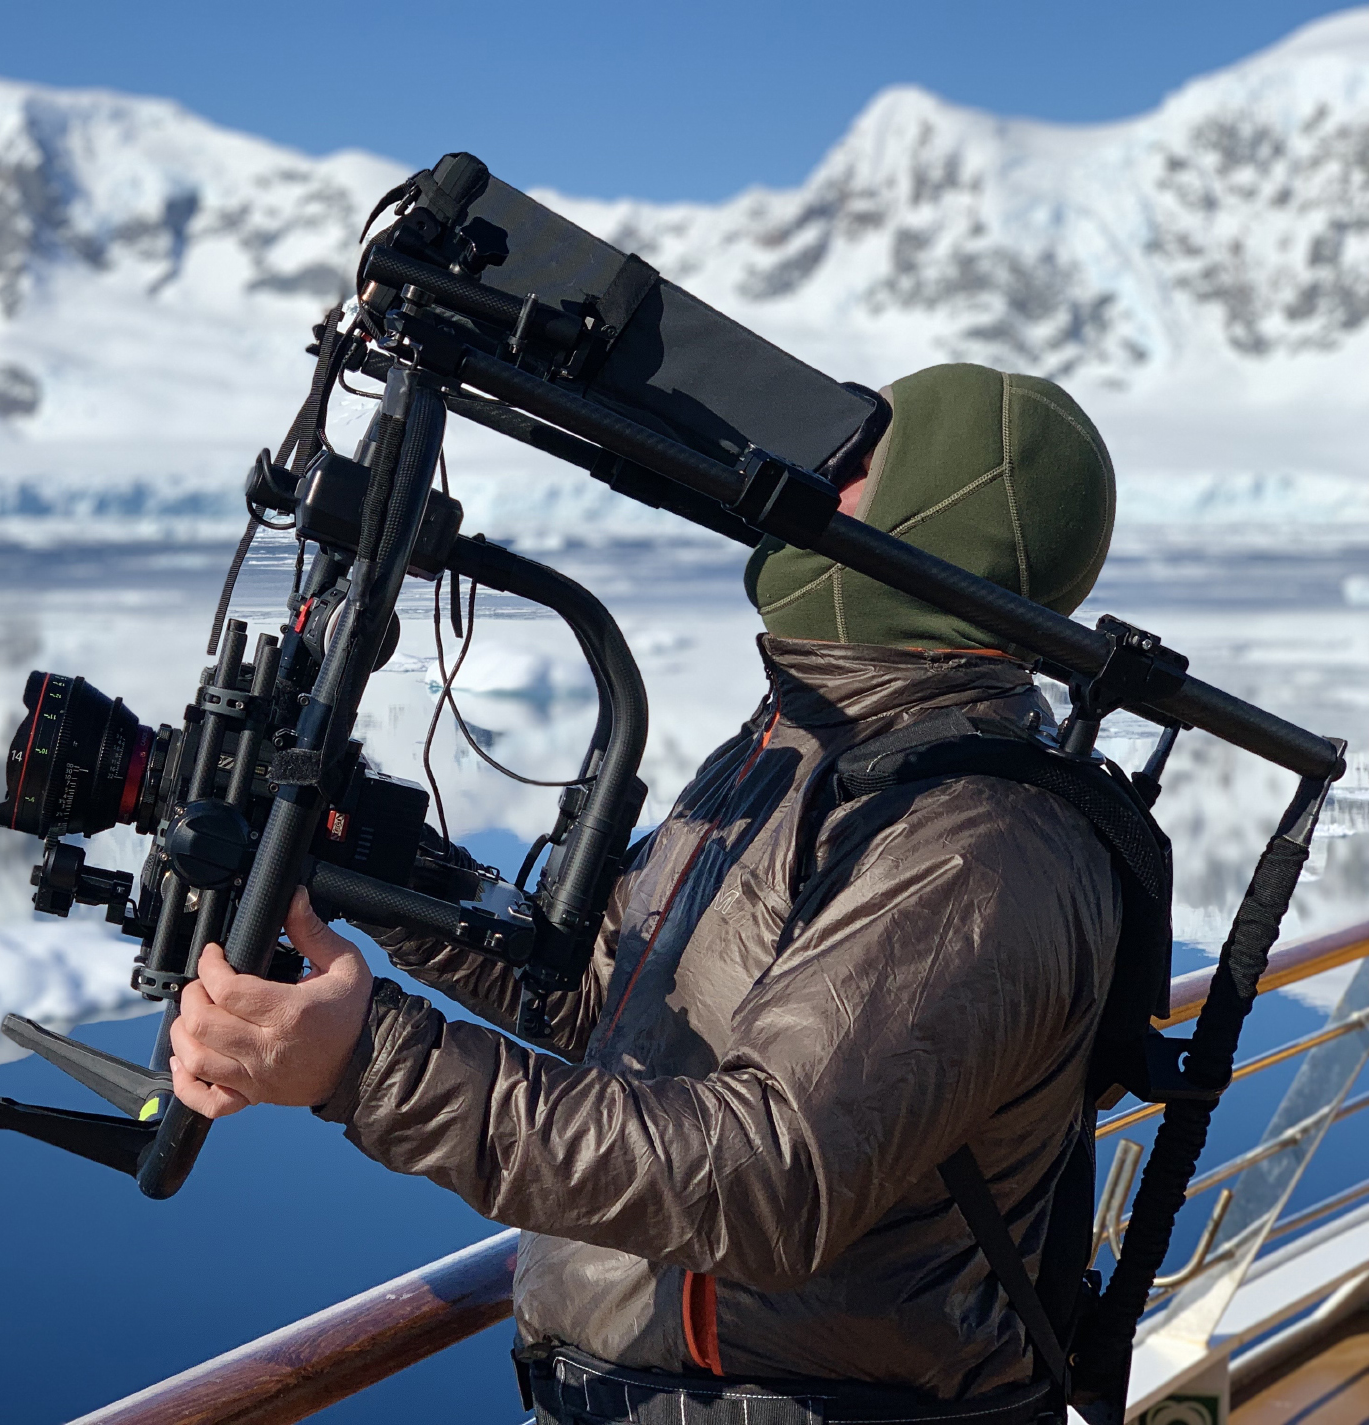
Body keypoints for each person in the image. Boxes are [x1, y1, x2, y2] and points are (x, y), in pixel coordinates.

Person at [167, 362, 1121, 1417]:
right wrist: (363, 864)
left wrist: (368, 1066)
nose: (799, 479)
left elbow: (772, 1178)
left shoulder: (979, 840)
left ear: (936, 518)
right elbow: (598, 995)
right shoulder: (797, 747)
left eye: (849, 466)